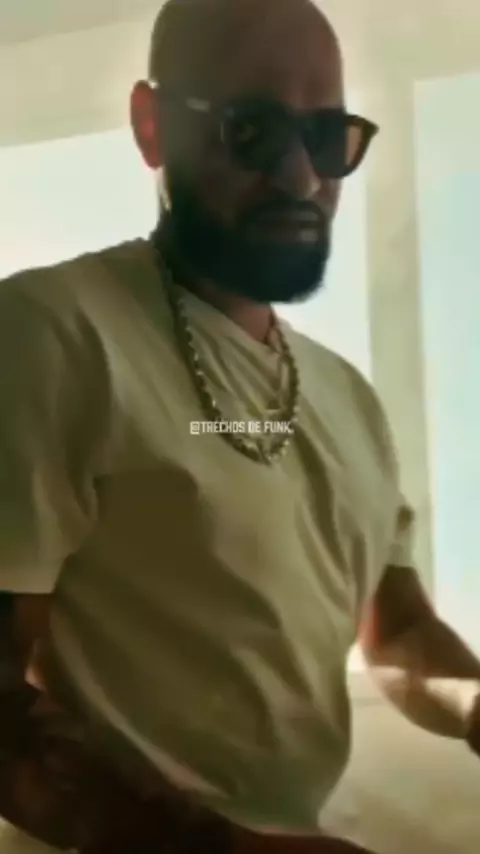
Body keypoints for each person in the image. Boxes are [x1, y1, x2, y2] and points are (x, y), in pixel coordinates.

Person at [0, 0, 479, 852]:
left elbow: (399, 633)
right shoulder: (50, 333)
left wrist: (477, 706)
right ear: (152, 125)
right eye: (251, 129)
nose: (300, 177)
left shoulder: (349, 400)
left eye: (327, 136)